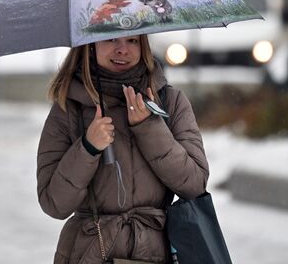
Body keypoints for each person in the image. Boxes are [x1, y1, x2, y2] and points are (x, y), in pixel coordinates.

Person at [37, 34, 209, 264]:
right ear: (90, 46)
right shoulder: (68, 109)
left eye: (133, 41)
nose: (122, 50)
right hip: (90, 252)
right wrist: (88, 148)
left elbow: (195, 185)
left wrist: (148, 127)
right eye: (110, 40)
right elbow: (54, 203)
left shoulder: (170, 101)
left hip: (158, 252)